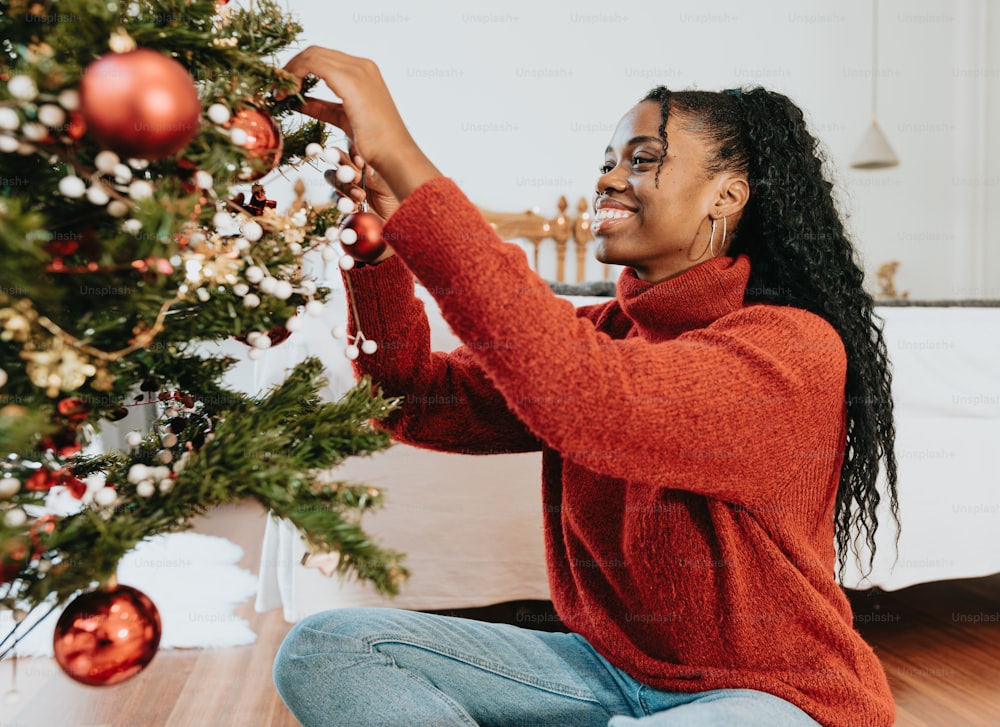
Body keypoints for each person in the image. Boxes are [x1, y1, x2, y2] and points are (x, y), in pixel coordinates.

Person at [273, 47, 898, 727]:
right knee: (328, 646)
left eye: (642, 159)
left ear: (727, 194)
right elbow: (413, 398)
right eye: (606, 161)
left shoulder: (793, 347)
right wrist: (382, 248)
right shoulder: (607, 331)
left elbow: (590, 398)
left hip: (771, 695)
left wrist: (406, 160)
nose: (610, 179)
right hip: (604, 671)